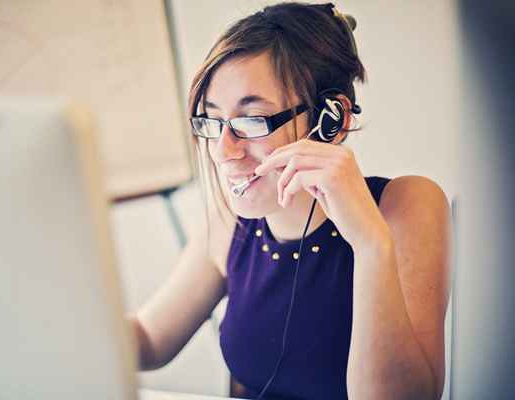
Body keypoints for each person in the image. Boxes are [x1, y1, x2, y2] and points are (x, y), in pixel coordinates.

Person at [128, 2, 451, 399]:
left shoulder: (407, 205)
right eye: (212, 121)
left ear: (332, 120)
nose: (223, 151)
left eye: (252, 120)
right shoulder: (230, 221)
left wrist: (370, 246)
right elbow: (149, 341)